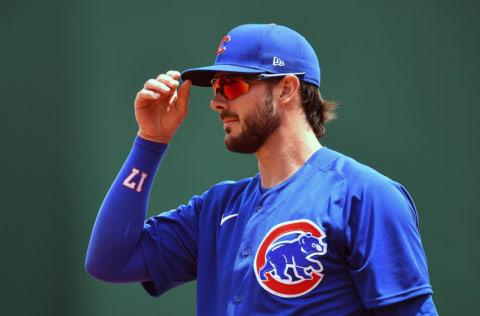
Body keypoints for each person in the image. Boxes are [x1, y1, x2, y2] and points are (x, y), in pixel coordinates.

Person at [85, 24, 438, 315]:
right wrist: (151, 141)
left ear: (286, 89)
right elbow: (109, 261)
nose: (217, 101)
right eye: (217, 87)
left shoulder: (364, 195)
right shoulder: (218, 208)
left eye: (233, 85)